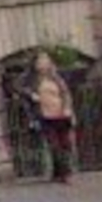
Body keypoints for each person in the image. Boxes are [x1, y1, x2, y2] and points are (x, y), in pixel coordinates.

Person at [27, 51, 77, 183]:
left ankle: (66, 172)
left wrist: (67, 108)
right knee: (53, 144)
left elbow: (65, 93)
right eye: (39, 61)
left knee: (65, 143)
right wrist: (31, 94)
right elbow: (18, 87)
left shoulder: (56, 78)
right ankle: (61, 171)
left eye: (45, 60)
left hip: (60, 113)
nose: (42, 64)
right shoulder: (32, 79)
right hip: (45, 115)